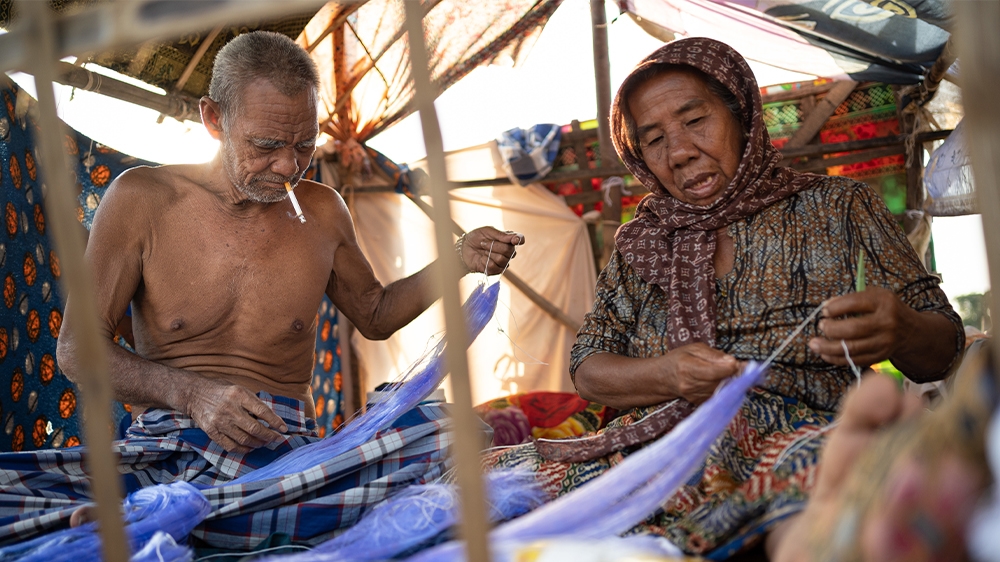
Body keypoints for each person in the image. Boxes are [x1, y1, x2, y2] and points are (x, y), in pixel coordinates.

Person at [0, 31, 522, 543]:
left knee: (451, 429)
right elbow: (75, 350)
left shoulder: (322, 211)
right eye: (267, 145)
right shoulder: (142, 198)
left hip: (286, 456)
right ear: (213, 119)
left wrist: (456, 260)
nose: (289, 167)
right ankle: (193, 511)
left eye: (304, 145)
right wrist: (194, 396)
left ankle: (168, 515)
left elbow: (376, 313)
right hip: (167, 448)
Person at [484, 37, 963, 558]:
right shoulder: (642, 241)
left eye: (695, 120)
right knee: (475, 490)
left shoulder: (838, 207)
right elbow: (588, 369)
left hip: (798, 442)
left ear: (742, 115)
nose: (680, 150)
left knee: (824, 503)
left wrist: (903, 329)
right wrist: (666, 375)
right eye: (654, 139)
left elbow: (942, 352)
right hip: (657, 450)